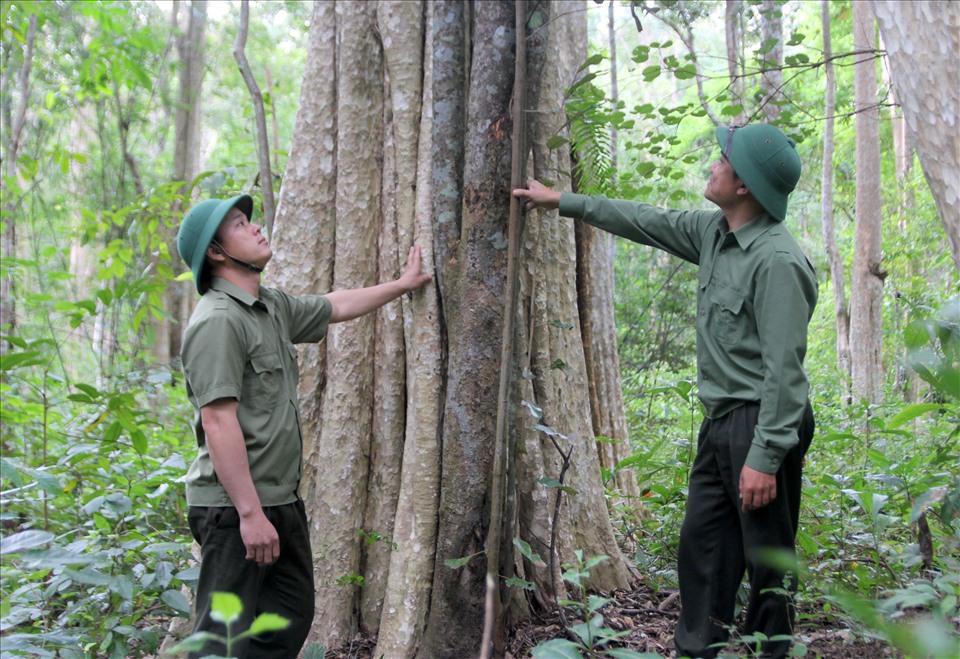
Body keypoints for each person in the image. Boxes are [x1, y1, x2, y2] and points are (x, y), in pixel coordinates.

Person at [513, 123, 817, 659]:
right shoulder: (713, 233)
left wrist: (766, 457)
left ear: (744, 184)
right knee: (703, 546)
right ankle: (696, 649)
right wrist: (563, 200)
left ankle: (772, 652)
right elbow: (645, 220)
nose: (714, 164)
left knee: (769, 558)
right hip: (722, 421)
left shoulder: (778, 260)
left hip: (764, 422)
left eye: (723, 159)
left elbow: (785, 374)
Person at [175, 194, 432, 658]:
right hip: (235, 507)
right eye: (238, 225)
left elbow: (334, 306)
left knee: (291, 613)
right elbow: (218, 420)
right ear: (216, 252)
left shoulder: (269, 307)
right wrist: (250, 515)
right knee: (219, 638)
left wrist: (401, 284)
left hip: (280, 499)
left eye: (249, 220)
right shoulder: (217, 320)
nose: (254, 228)